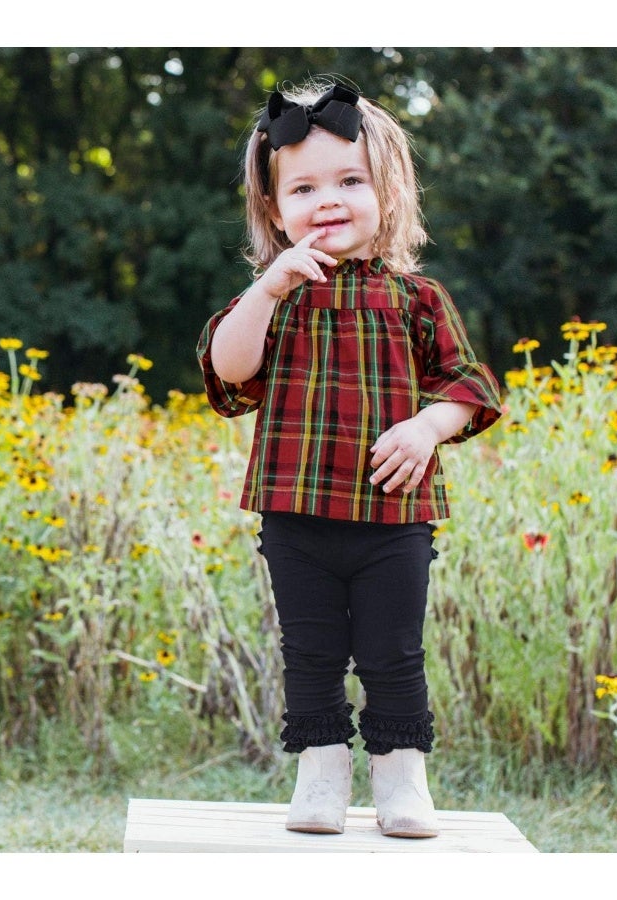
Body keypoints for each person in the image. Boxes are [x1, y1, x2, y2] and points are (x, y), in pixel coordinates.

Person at [197, 78, 502, 839]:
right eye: (303, 188)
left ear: (387, 193)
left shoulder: (417, 298)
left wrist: (427, 428)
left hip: (393, 517)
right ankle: (321, 771)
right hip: (295, 512)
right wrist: (265, 291)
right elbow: (229, 371)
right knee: (310, 651)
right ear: (275, 210)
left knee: (393, 651)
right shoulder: (276, 297)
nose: (327, 200)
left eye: (350, 181)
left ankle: (401, 776)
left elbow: (469, 386)